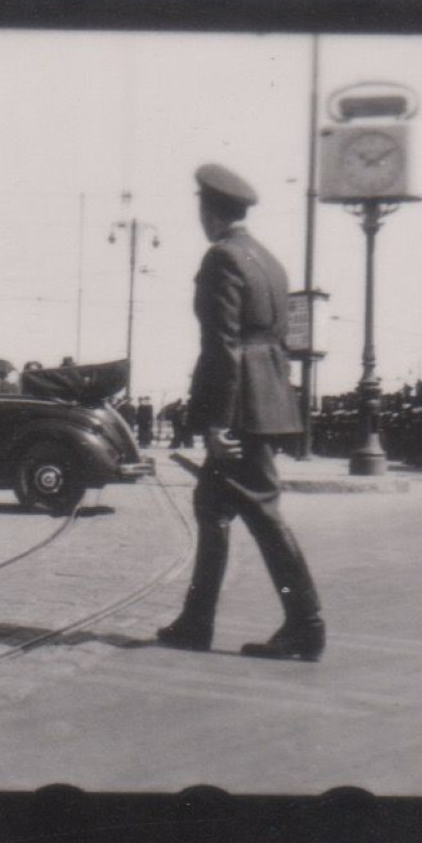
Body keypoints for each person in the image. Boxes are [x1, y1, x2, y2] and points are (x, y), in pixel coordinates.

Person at [156, 164, 325, 661]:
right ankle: (196, 621)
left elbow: (223, 346)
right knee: (213, 509)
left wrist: (216, 423)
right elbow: (269, 342)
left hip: (241, 409)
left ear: (208, 212)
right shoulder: (269, 261)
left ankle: (306, 624)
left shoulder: (222, 258)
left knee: (264, 516)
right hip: (268, 398)